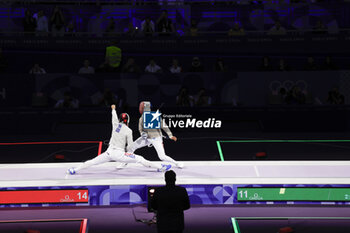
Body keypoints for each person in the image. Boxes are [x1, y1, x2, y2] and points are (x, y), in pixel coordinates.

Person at [67, 105, 172, 175]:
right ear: (128, 121)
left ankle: (74, 170)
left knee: (92, 161)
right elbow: (130, 146)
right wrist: (141, 145)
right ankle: (160, 167)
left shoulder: (115, 125)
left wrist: (113, 108)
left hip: (108, 153)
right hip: (119, 154)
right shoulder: (129, 130)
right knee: (140, 158)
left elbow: (114, 116)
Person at [127, 101, 184, 168]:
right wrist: (142, 134)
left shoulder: (155, 116)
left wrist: (170, 135)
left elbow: (164, 126)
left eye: (142, 107)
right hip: (146, 138)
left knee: (162, 157)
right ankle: (125, 162)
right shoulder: (141, 118)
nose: (141, 109)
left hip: (156, 138)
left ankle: (177, 163)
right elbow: (140, 129)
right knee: (131, 147)